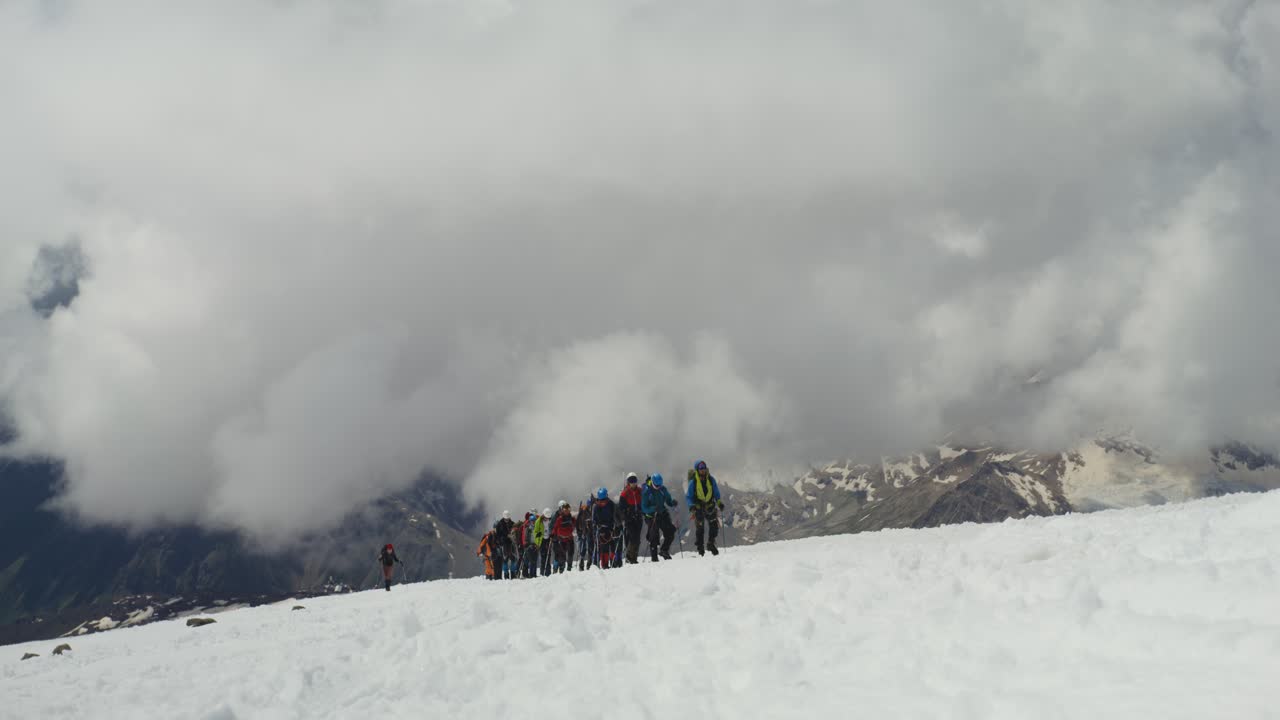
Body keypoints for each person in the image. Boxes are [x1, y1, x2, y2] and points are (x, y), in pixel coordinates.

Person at [685, 459, 724, 556]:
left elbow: (716, 492)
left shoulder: (711, 480)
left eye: (704, 467)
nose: (703, 469)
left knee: (714, 526)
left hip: (710, 506)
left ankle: (710, 543)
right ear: (697, 469)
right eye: (701, 468)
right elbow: (689, 496)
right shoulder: (693, 482)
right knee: (700, 528)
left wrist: (719, 502)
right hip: (698, 508)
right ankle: (700, 548)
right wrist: (691, 506)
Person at [642, 474, 678, 560]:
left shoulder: (663, 489)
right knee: (653, 536)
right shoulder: (647, 491)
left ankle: (664, 550)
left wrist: (672, 503)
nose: (658, 487)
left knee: (670, 531)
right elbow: (644, 508)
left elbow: (668, 500)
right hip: (651, 516)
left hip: (662, 513)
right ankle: (654, 558)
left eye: (659, 485)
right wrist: (653, 509)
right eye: (656, 485)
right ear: (652, 482)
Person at [618, 473, 644, 564]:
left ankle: (634, 558)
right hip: (630, 519)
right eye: (631, 481)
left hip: (638, 518)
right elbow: (621, 508)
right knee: (633, 538)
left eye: (635, 481)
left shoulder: (640, 491)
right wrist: (626, 516)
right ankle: (629, 557)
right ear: (628, 482)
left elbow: (644, 502)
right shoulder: (624, 493)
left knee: (637, 539)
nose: (633, 483)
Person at [590, 487, 617, 569]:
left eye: (604, 500)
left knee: (613, 546)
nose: (603, 502)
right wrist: (596, 528)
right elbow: (594, 520)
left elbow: (614, 515)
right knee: (604, 548)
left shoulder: (611, 504)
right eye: (601, 500)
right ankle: (605, 564)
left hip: (610, 528)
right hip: (601, 529)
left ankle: (613, 562)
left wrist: (615, 525)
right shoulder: (596, 507)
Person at [550, 501, 575, 573]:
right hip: (562, 539)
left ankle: (569, 569)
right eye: (565, 510)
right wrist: (553, 534)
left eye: (568, 510)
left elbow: (575, 526)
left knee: (570, 553)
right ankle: (562, 570)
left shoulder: (571, 518)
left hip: (569, 538)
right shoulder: (559, 518)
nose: (567, 511)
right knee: (562, 555)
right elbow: (555, 527)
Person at [495, 510, 517, 580]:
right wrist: (505, 537)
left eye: (507, 519)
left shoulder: (512, 524)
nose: (507, 520)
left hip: (511, 543)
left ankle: (513, 574)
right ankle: (506, 574)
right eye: (505, 519)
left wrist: (513, 535)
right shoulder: (499, 524)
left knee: (513, 558)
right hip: (504, 544)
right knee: (505, 559)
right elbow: (498, 535)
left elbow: (515, 531)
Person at [576, 499, 594, 571]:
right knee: (587, 548)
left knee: (585, 548)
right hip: (586, 533)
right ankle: (586, 564)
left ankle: (583, 564)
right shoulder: (586, 512)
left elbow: (578, 523)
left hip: (585, 533)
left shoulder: (583, 512)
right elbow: (579, 523)